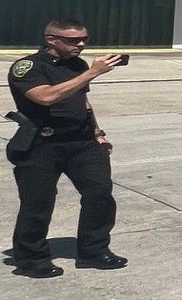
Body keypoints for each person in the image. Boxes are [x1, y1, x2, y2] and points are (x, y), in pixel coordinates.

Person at [7, 19, 126, 278]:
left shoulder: (77, 65)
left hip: (82, 142)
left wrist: (98, 133)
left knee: (100, 196)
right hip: (42, 143)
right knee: (37, 204)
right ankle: (31, 259)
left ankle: (93, 251)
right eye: (73, 40)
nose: (81, 45)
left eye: (84, 39)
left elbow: (83, 101)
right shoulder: (27, 67)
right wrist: (92, 72)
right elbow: (45, 96)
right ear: (51, 39)